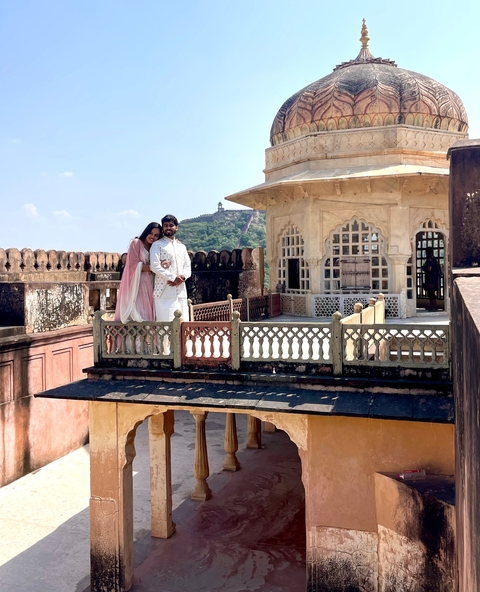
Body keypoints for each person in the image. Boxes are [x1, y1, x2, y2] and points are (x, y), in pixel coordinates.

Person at [114, 222, 161, 323]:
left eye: (156, 235)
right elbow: (133, 265)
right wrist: (156, 268)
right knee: (140, 313)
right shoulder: (136, 243)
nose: (153, 237)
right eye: (151, 233)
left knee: (150, 314)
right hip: (137, 284)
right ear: (146, 232)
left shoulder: (154, 248)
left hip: (151, 283)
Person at [150, 214, 191, 321]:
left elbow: (187, 266)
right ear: (162, 227)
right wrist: (173, 278)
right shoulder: (157, 245)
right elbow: (154, 266)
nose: (168, 227)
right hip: (163, 292)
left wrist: (182, 278)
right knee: (165, 327)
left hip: (181, 291)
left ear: (176, 227)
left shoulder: (181, 247)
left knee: (183, 324)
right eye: (166, 225)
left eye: (171, 225)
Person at [422, 247, 442, 311]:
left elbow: (429, 268)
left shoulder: (429, 259)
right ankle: (433, 305)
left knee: (431, 293)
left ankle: (433, 306)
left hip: (430, 278)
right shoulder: (434, 259)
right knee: (432, 293)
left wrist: (423, 268)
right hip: (434, 278)